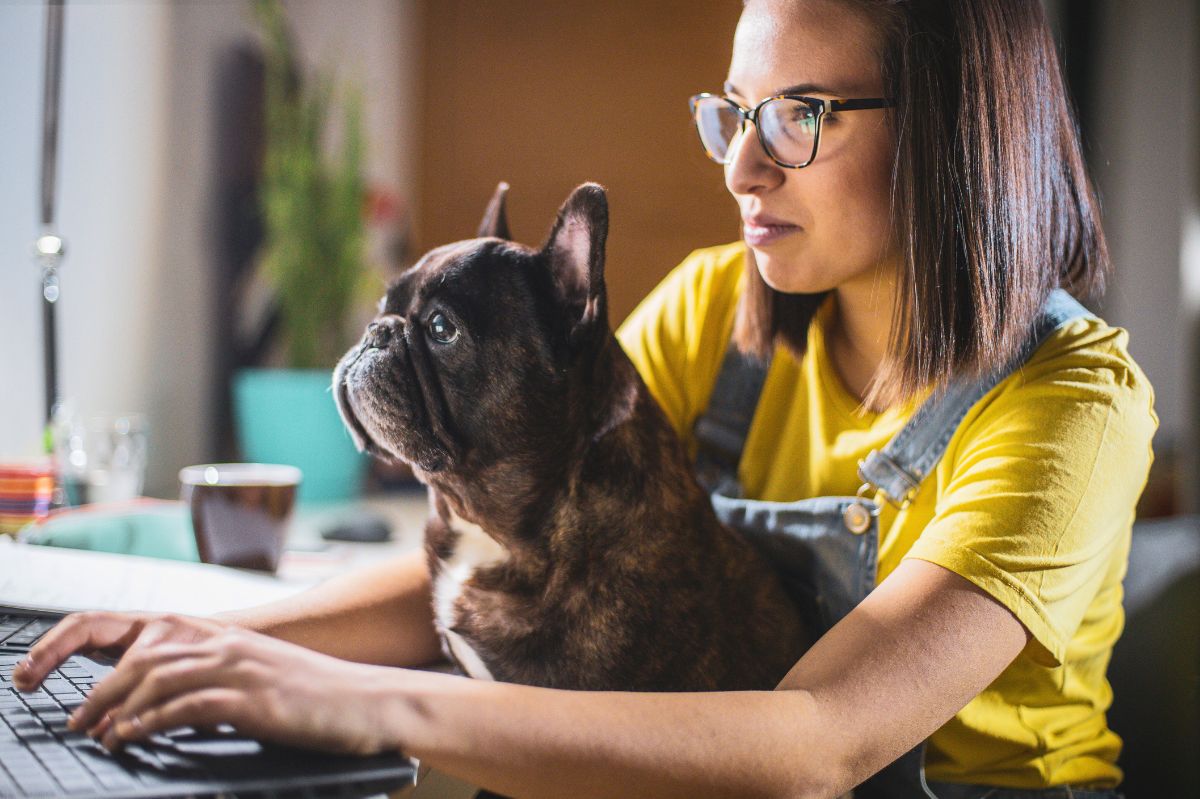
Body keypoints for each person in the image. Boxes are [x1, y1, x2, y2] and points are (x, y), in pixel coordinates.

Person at [14, 1, 1156, 796]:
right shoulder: (722, 306)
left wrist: (353, 698)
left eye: (799, 115)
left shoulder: (1070, 405)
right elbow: (502, 568)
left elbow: (819, 742)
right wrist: (204, 642)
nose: (741, 169)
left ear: (959, 124)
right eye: (735, 113)